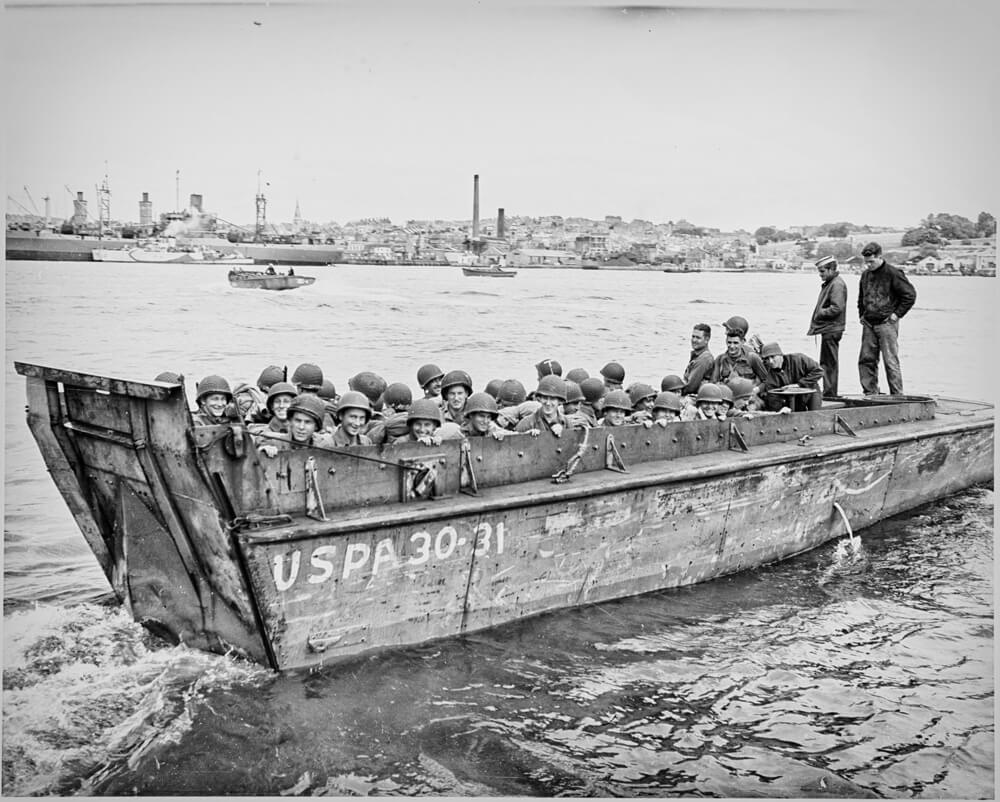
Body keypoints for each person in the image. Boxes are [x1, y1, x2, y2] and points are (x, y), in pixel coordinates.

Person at [857, 241, 917, 395]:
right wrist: (861, 315)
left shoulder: (893, 273)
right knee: (866, 360)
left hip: (887, 324)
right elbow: (861, 297)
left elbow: (909, 295)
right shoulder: (865, 275)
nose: (868, 265)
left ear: (879, 257)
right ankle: (870, 393)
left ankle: (897, 395)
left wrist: (897, 314)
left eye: (871, 262)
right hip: (869, 323)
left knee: (890, 361)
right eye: (866, 262)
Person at [807, 255, 848, 398]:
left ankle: (830, 393)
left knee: (829, 363)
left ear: (831, 270)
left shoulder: (836, 284)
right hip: (831, 328)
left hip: (831, 329)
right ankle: (829, 392)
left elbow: (837, 308)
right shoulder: (834, 283)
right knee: (828, 362)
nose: (820, 274)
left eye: (822, 271)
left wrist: (819, 313)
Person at [256, 394, 334, 457]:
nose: (301, 427)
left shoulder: (324, 446)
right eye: (297, 421)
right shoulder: (275, 443)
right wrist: (263, 452)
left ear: (316, 426)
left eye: (307, 422)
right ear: (290, 421)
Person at [759, 342, 823, 412]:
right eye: (767, 359)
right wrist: (779, 410)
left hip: (811, 390)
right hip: (793, 399)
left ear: (780, 355)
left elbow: (818, 371)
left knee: (815, 414)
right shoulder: (770, 377)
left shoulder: (798, 359)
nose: (771, 361)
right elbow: (773, 398)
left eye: (773, 357)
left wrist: (799, 384)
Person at [681, 323, 714, 396]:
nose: (694, 340)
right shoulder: (697, 356)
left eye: (698, 338)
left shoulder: (704, 359)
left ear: (706, 340)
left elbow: (691, 387)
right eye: (693, 337)